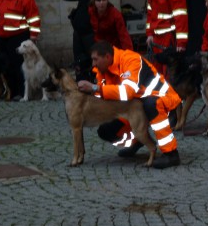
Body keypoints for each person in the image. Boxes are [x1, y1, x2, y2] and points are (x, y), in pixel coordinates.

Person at [77, 41, 182, 169]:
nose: (93, 64)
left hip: (162, 98)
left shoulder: (130, 60)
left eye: (95, 59)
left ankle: (171, 153)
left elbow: (127, 92)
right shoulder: (102, 70)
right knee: (106, 130)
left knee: (152, 104)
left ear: (107, 57)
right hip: (135, 108)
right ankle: (138, 141)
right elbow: (104, 98)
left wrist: (94, 88)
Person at [142, 0, 188, 75]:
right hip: (156, 38)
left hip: (169, 38)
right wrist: (150, 34)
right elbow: (150, 11)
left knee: (168, 73)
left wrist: (181, 43)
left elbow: (181, 16)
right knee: (156, 72)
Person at [61, 0, 103, 81]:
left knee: (92, 58)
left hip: (90, 33)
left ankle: (95, 81)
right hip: (78, 33)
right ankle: (81, 82)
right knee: (79, 60)